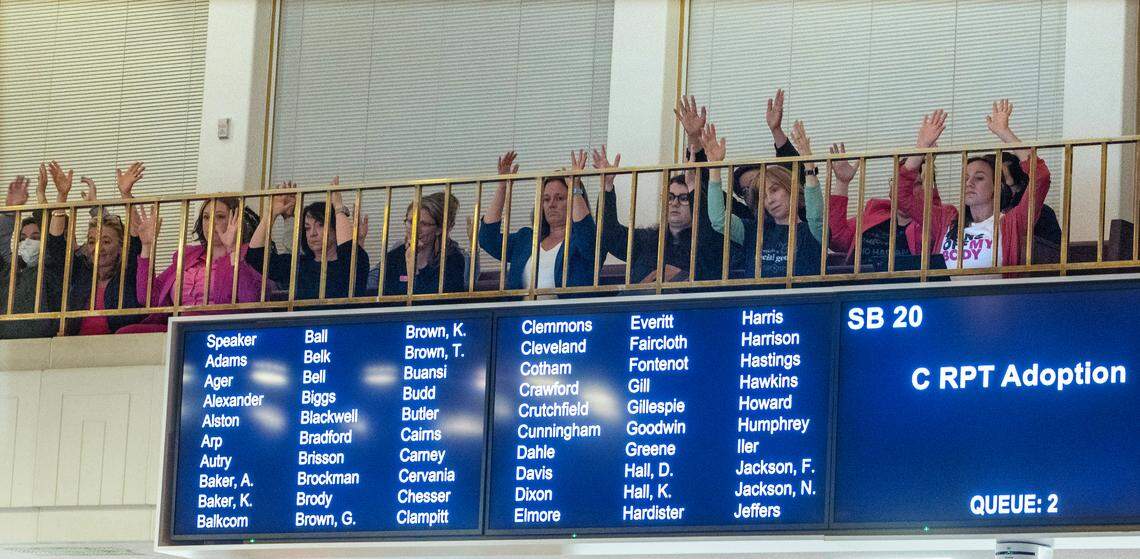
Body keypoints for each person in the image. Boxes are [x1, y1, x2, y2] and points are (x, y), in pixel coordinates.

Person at [898, 101, 1051, 270]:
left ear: (997, 187)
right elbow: (902, 196)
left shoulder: (1012, 221)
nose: (969, 183)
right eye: (965, 178)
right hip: (948, 296)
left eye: (979, 178)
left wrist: (1005, 133)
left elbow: (1040, 177)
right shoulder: (945, 220)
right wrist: (921, 148)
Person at [125, 196, 265, 332]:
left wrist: (233, 250)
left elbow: (251, 300)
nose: (211, 223)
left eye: (220, 216)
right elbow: (147, 298)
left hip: (223, 329)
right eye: (206, 217)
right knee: (127, 333)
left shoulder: (248, 253)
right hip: (180, 329)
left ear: (236, 221)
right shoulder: (187, 255)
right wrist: (147, 246)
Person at [704, 123, 822, 278]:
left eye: (774, 190)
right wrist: (715, 169)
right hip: (756, 302)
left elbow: (815, 215)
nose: (770, 200)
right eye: (763, 196)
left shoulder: (813, 230)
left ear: (790, 188)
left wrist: (809, 166)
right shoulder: (753, 231)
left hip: (800, 301)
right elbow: (719, 220)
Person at [594, 145, 725, 284]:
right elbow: (610, 236)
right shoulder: (647, 239)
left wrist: (680, 276)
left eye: (684, 198)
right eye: (669, 197)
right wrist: (607, 187)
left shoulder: (707, 243)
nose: (675, 203)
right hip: (640, 304)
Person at [478, 150, 596, 291]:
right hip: (522, 311)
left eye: (559, 198)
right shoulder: (526, 239)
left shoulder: (580, 241)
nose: (551, 204)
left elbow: (589, 240)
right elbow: (487, 239)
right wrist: (503, 186)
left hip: (567, 312)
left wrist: (575, 188)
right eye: (546, 199)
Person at [246, 179, 369, 300]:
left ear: (335, 228)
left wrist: (338, 208)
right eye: (307, 228)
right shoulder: (300, 265)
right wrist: (271, 213)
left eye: (320, 225)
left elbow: (348, 249)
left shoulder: (355, 262)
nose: (312, 234)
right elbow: (255, 256)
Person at [826, 143, 936, 268]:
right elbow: (836, 239)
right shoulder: (875, 212)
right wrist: (842, 182)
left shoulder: (931, 223)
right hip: (861, 284)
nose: (906, 189)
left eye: (916, 184)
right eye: (901, 183)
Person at [370, 191, 464, 296]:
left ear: (439, 229)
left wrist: (413, 270)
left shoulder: (452, 259)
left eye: (424, 224)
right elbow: (389, 301)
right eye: (411, 222)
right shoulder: (393, 258)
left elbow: (444, 301)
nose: (415, 229)